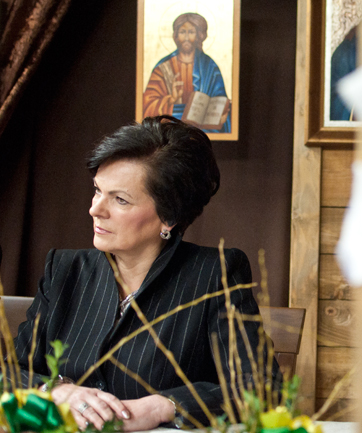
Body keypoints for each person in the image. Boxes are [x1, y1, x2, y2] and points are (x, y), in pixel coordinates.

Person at [13, 116, 277, 431]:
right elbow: (10, 372)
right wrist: (55, 390)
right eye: (97, 190)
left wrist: (161, 406)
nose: (95, 209)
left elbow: (261, 388)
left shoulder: (215, 274)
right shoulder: (64, 269)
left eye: (120, 199)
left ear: (169, 217)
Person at [143, 13, 231, 133]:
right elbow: (148, 105)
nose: (186, 37)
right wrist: (171, 99)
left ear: (199, 36)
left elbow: (220, 101)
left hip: (204, 129)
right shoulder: (163, 67)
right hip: (171, 128)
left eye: (191, 32)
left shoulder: (210, 66)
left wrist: (222, 113)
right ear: (176, 35)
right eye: (182, 32)